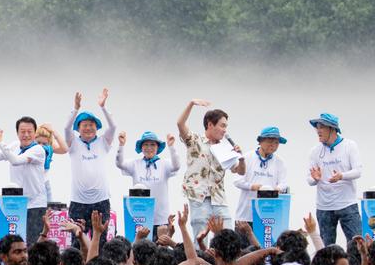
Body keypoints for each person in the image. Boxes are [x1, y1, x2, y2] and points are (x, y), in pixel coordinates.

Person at [176, 99, 246, 240]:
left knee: (228, 236)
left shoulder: (225, 148)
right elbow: (180, 123)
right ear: (209, 124)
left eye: (226, 126)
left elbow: (240, 171)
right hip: (199, 197)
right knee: (201, 237)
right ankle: (202, 261)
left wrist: (241, 158)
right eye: (222, 126)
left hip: (218, 198)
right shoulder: (195, 140)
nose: (225, 130)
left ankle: (226, 261)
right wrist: (191, 104)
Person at [0, 118, 49, 244]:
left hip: (35, 204)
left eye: (29, 131)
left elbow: (15, 161)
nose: (26, 135)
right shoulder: (15, 145)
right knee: (15, 244)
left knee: (32, 243)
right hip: (17, 203)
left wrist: (1, 142)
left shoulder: (38, 150)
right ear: (17, 133)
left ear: (35, 133)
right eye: (22, 131)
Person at [306, 112, 364, 246]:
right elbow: (309, 180)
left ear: (332, 129)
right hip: (324, 207)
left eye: (322, 127)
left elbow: (358, 171)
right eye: (317, 127)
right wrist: (315, 179)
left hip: (347, 204)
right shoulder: (315, 151)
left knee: (357, 245)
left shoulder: (349, 145)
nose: (318, 131)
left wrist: (341, 176)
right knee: (326, 248)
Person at [64, 89, 117, 229]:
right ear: (79, 128)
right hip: (78, 201)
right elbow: (66, 128)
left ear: (96, 127)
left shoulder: (103, 142)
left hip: (101, 201)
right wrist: (75, 108)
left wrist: (103, 107)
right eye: (84, 125)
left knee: (100, 240)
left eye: (91, 125)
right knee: (77, 239)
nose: (88, 128)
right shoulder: (73, 143)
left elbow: (113, 126)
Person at [116, 130, 181, 235]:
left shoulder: (165, 164)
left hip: (161, 218)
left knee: (161, 249)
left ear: (157, 147)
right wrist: (121, 145)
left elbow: (176, 166)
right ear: (141, 147)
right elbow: (120, 164)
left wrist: (172, 147)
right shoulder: (135, 164)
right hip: (140, 218)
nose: (149, 147)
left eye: (152, 144)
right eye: (145, 144)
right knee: (140, 249)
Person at [234, 127, 288, 226]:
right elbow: (237, 181)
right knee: (241, 241)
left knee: (264, 241)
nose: (273, 145)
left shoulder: (280, 162)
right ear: (260, 141)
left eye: (276, 142)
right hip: (245, 215)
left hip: (268, 215)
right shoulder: (247, 157)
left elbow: (284, 183)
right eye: (270, 141)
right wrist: (252, 187)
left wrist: (278, 188)